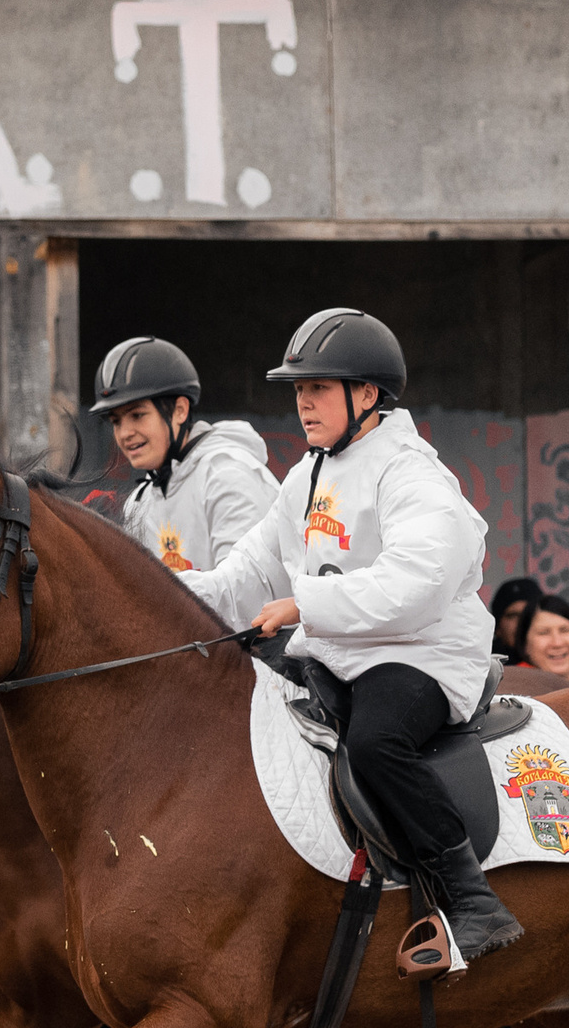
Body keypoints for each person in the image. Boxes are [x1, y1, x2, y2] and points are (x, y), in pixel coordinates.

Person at [184, 307, 520, 964]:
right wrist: (150, 591)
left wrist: (302, 604)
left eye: (319, 388)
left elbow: (418, 582)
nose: (304, 403)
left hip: (422, 653)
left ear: (366, 395)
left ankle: (473, 899)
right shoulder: (307, 475)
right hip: (338, 650)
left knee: (375, 742)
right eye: (299, 390)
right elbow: (242, 578)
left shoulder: (412, 473)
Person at [93, 337, 277, 574]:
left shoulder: (228, 475)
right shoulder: (140, 500)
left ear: (180, 410)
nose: (125, 433)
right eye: (116, 422)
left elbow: (247, 587)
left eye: (137, 415)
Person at [510, 592, 569, 683]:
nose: (557, 643)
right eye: (543, 633)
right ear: (525, 644)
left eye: (565, 630)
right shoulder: (509, 687)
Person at [488, 578, 544, 657]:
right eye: (513, 616)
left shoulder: (559, 659)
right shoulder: (481, 661)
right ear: (497, 628)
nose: (522, 621)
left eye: (530, 614)